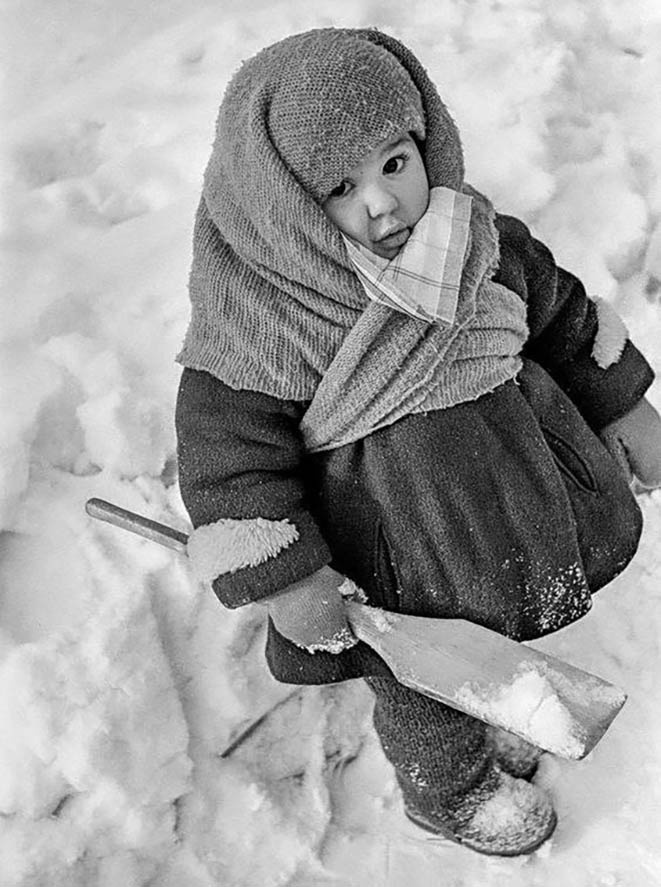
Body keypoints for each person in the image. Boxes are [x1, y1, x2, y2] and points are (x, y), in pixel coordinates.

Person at [174, 28, 661, 856]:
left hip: (516, 504)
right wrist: (290, 578)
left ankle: (497, 702)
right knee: (423, 691)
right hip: (399, 570)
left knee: (490, 642)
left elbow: (565, 321)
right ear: (282, 202)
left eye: (394, 162)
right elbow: (231, 469)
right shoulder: (261, 327)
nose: (383, 202)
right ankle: (450, 790)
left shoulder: (480, 242)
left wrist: (621, 406)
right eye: (339, 186)